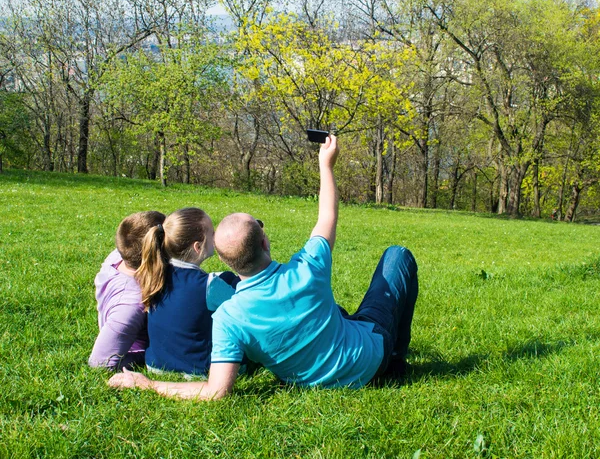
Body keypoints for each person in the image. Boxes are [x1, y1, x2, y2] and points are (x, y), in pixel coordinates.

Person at [108, 135, 418, 398]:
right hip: (367, 360)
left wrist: (147, 384)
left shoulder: (229, 316)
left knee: (335, 311)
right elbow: (327, 216)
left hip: (306, 382)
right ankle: (395, 359)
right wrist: (326, 164)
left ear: (223, 258)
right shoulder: (308, 269)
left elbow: (215, 391)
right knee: (397, 256)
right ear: (265, 243)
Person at [137, 207, 240, 376]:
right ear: (198, 247)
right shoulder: (209, 286)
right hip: (197, 369)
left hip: (155, 364)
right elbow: (245, 305)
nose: (215, 237)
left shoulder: (155, 275)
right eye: (212, 233)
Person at [89, 210, 166, 370]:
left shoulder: (117, 257)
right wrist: (148, 354)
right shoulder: (130, 305)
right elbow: (101, 363)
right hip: (134, 347)